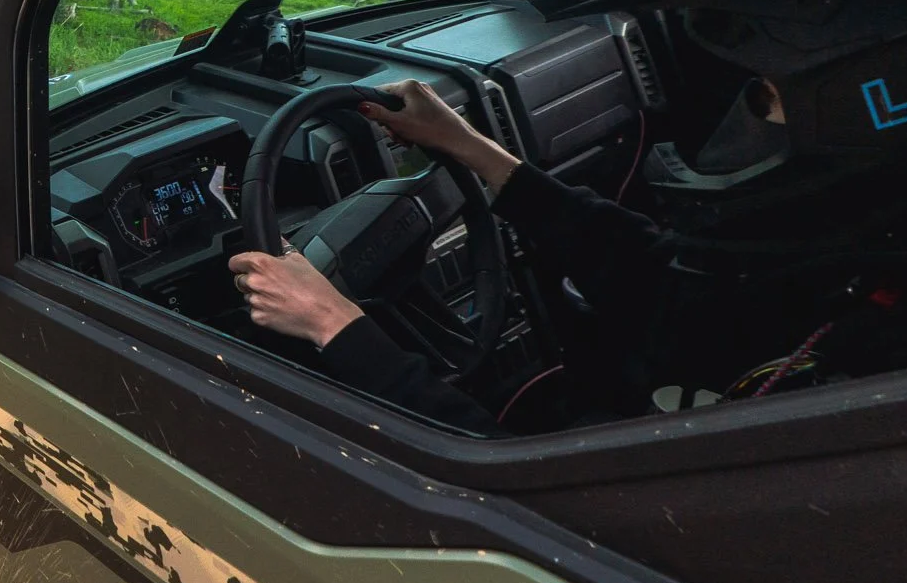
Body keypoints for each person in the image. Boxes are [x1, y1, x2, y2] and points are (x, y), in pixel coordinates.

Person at [227, 77, 805, 431]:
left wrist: (331, 321)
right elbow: (667, 282)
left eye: (768, 105)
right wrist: (467, 145)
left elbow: (494, 470)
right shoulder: (821, 292)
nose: (745, 117)